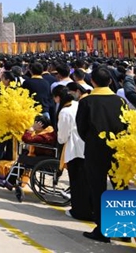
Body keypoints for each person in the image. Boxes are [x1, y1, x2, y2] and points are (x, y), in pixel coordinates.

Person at [76, 66, 127, 244]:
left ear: (92, 81)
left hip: (95, 149)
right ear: (111, 81)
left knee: (98, 189)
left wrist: (92, 140)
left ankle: (102, 230)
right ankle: (126, 229)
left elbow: (81, 128)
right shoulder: (120, 101)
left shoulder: (86, 101)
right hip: (119, 148)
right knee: (121, 185)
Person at [54, 87, 90, 221]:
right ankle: (88, 208)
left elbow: (62, 136)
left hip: (74, 149)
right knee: (86, 181)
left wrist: (59, 140)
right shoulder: (78, 104)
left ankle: (79, 210)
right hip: (87, 147)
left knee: (76, 182)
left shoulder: (65, 112)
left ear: (58, 97)